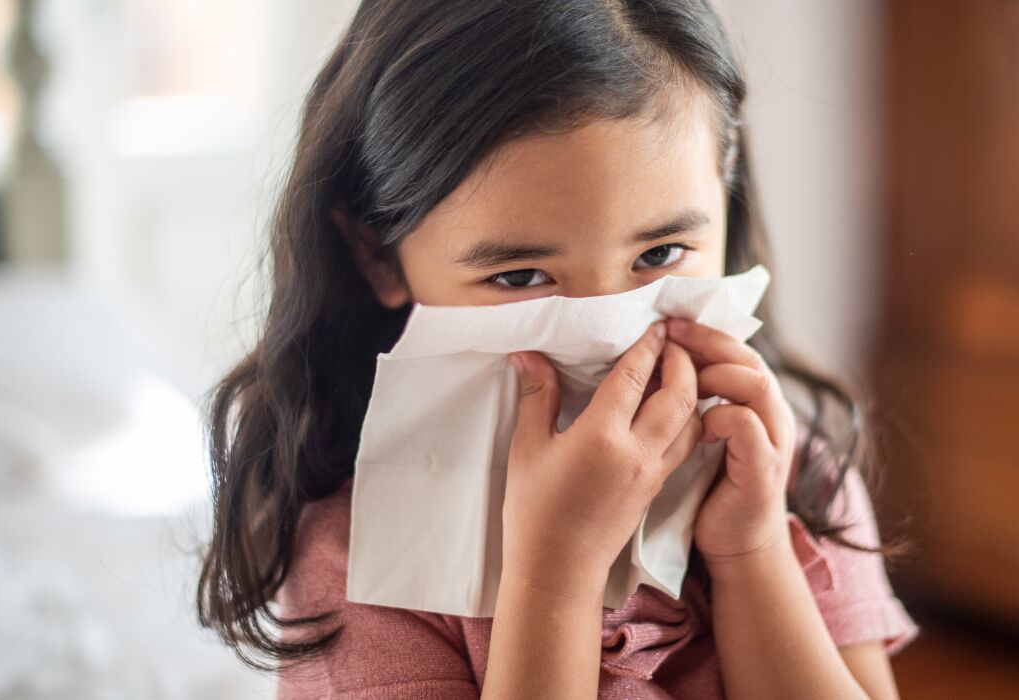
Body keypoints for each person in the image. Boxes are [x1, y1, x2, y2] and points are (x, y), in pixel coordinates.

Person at [196, 1, 920, 697]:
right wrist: (556, 576)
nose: (610, 336)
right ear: (378, 256)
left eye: (662, 253)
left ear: (723, 201)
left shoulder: (792, 473)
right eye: (519, 276)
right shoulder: (360, 557)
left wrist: (753, 553)